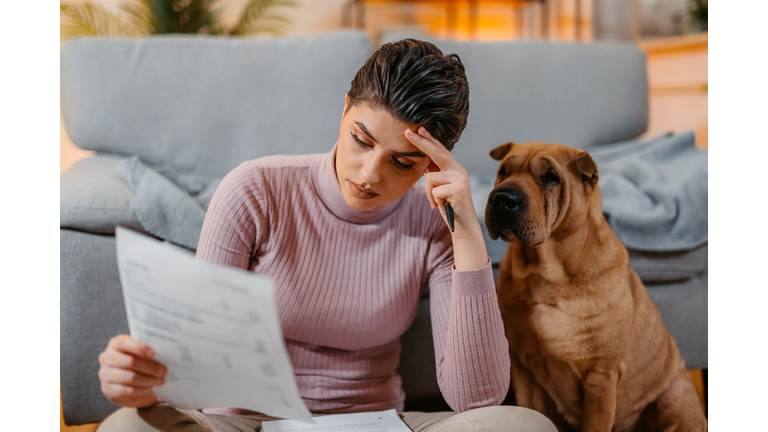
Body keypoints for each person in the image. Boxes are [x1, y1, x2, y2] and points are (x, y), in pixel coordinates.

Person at [96, 39, 556, 432]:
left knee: (522, 426)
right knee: (126, 426)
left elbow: (476, 399)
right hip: (249, 425)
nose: (369, 174)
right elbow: (192, 365)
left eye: (402, 162)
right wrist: (141, 377)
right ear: (344, 110)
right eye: (361, 139)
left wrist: (468, 234)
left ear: (433, 165)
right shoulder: (255, 189)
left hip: (375, 423)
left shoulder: (432, 222)